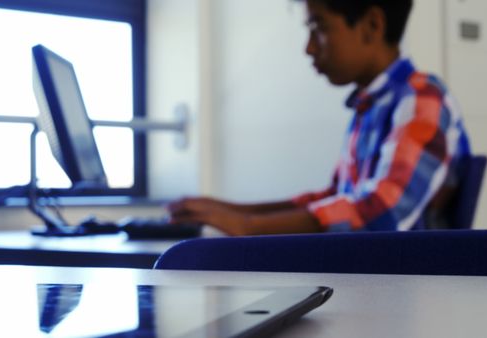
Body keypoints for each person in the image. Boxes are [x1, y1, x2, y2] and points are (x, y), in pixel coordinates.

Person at [168, 0, 471, 236]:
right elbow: (336, 198)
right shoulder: (371, 105)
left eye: (319, 27)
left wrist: (248, 226)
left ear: (372, 25)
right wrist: (230, 211)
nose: (309, 47)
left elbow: (382, 211)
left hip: (405, 287)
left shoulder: (422, 98)